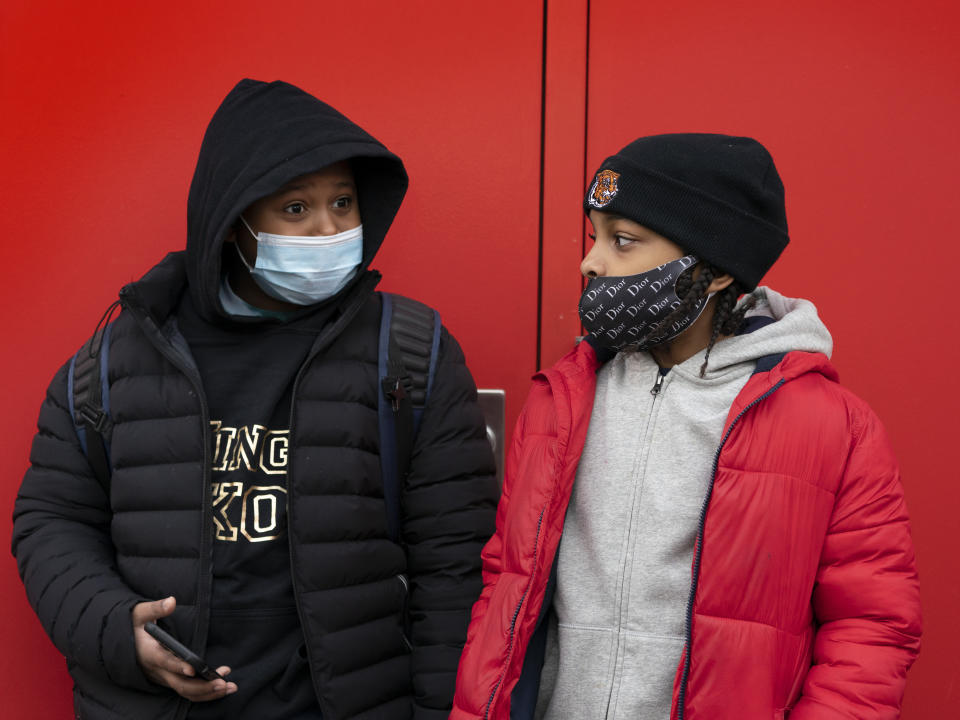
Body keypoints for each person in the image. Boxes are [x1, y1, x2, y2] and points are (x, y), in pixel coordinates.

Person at [12, 79, 498, 720]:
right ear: (231, 221)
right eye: (295, 209)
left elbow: (455, 563)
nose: (329, 229)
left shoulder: (409, 350)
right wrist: (116, 630)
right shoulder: (115, 360)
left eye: (344, 203)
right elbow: (51, 522)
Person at [450, 134, 921, 719]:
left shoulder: (832, 426)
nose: (591, 261)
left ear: (714, 271)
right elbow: (506, 583)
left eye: (623, 241)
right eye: (595, 236)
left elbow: (871, 625)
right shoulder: (562, 399)